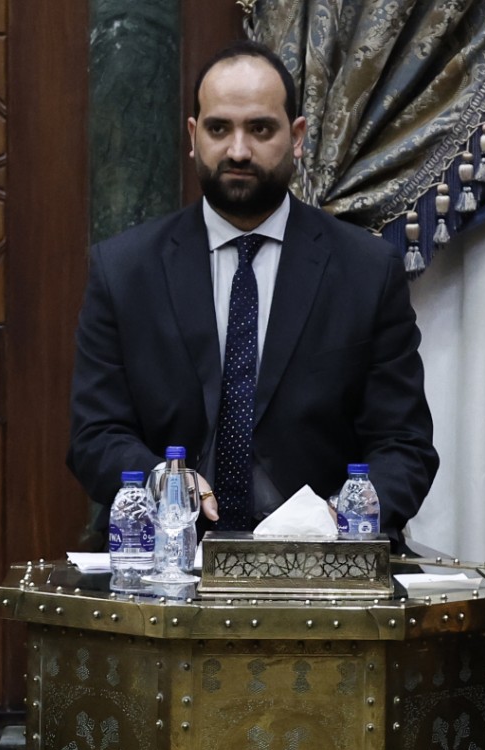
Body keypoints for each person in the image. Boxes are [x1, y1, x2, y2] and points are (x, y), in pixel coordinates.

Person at [67, 40, 438, 540]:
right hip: (164, 557)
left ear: (297, 136)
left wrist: (334, 520)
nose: (238, 151)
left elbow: (404, 446)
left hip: (321, 559)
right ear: (194, 136)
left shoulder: (367, 271)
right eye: (219, 129)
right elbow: (94, 436)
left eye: (260, 129)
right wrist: (162, 482)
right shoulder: (124, 270)